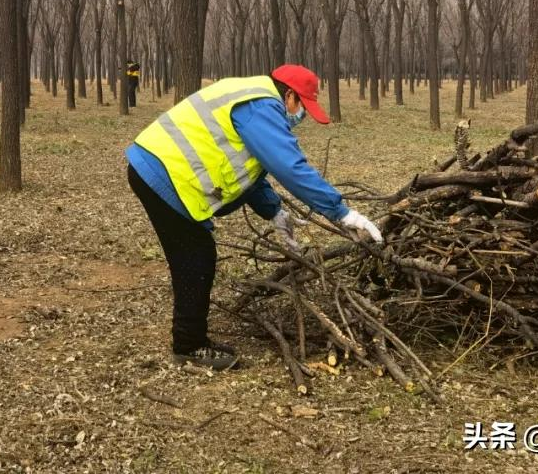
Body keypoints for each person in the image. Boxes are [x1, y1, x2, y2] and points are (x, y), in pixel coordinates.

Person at [126, 64, 382, 370]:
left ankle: (189, 340)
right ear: (289, 96)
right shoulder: (262, 106)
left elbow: (249, 172)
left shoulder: (252, 97)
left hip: (157, 168)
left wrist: (274, 211)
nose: (300, 116)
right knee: (196, 258)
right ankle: (189, 346)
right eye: (302, 106)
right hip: (164, 173)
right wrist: (341, 212)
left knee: (195, 255)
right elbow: (290, 167)